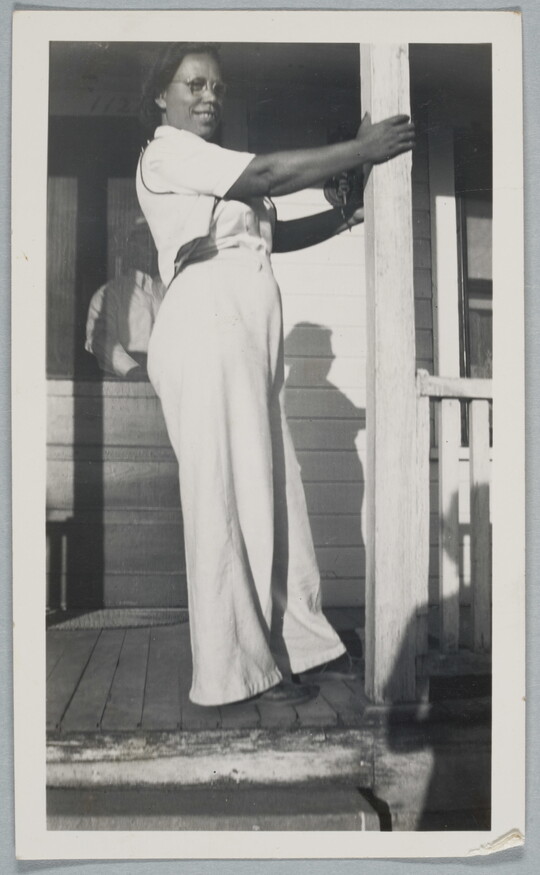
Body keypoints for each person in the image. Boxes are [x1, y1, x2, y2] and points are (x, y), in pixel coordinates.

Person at [136, 42, 415, 707]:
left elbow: (271, 234)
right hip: (205, 324)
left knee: (273, 488)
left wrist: (342, 215)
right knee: (225, 498)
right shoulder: (168, 151)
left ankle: (294, 646)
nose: (208, 97)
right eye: (194, 84)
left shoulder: (213, 167)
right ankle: (232, 672)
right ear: (162, 96)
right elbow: (264, 175)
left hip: (244, 330)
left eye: (217, 88)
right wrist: (360, 150)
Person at [85, 223, 165, 379]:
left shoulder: (170, 292)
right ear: (128, 248)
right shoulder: (111, 294)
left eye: (152, 242)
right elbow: (100, 338)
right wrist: (132, 370)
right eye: (142, 241)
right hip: (126, 384)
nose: (149, 249)